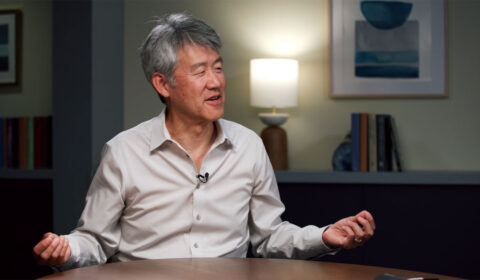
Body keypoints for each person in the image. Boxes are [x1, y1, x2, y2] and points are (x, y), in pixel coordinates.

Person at [33, 13, 375, 270]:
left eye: (218, 68)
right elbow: (94, 240)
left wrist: (326, 235)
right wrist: (67, 248)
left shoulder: (249, 145)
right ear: (163, 85)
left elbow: (270, 237)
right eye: (200, 72)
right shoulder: (124, 151)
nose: (215, 82)